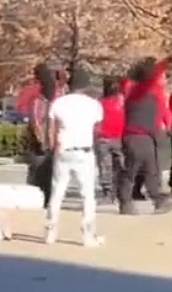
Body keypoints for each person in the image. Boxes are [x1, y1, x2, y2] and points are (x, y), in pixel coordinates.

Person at [45, 67, 104, 247]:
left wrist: (53, 146)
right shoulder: (93, 104)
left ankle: (50, 232)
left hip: (63, 150)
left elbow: (50, 130)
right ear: (86, 85)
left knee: (57, 192)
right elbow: (97, 129)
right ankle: (87, 235)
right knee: (87, 195)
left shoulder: (58, 103)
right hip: (84, 151)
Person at [118, 56, 172, 215]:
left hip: (136, 136)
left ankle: (129, 202)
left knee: (139, 170)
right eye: (163, 76)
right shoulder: (148, 90)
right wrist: (165, 63)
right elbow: (154, 77)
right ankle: (151, 200)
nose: (164, 79)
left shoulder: (133, 90)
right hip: (141, 136)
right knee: (142, 170)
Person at [26, 63, 58, 208]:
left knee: (44, 173)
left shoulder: (41, 99)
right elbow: (35, 121)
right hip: (43, 144)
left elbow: (35, 120)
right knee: (41, 172)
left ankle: (43, 199)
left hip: (47, 143)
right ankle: (41, 199)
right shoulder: (39, 100)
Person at [95, 76, 125, 204]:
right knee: (112, 166)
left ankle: (112, 191)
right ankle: (110, 191)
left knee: (109, 166)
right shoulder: (120, 102)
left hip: (110, 138)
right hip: (111, 138)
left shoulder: (101, 103)